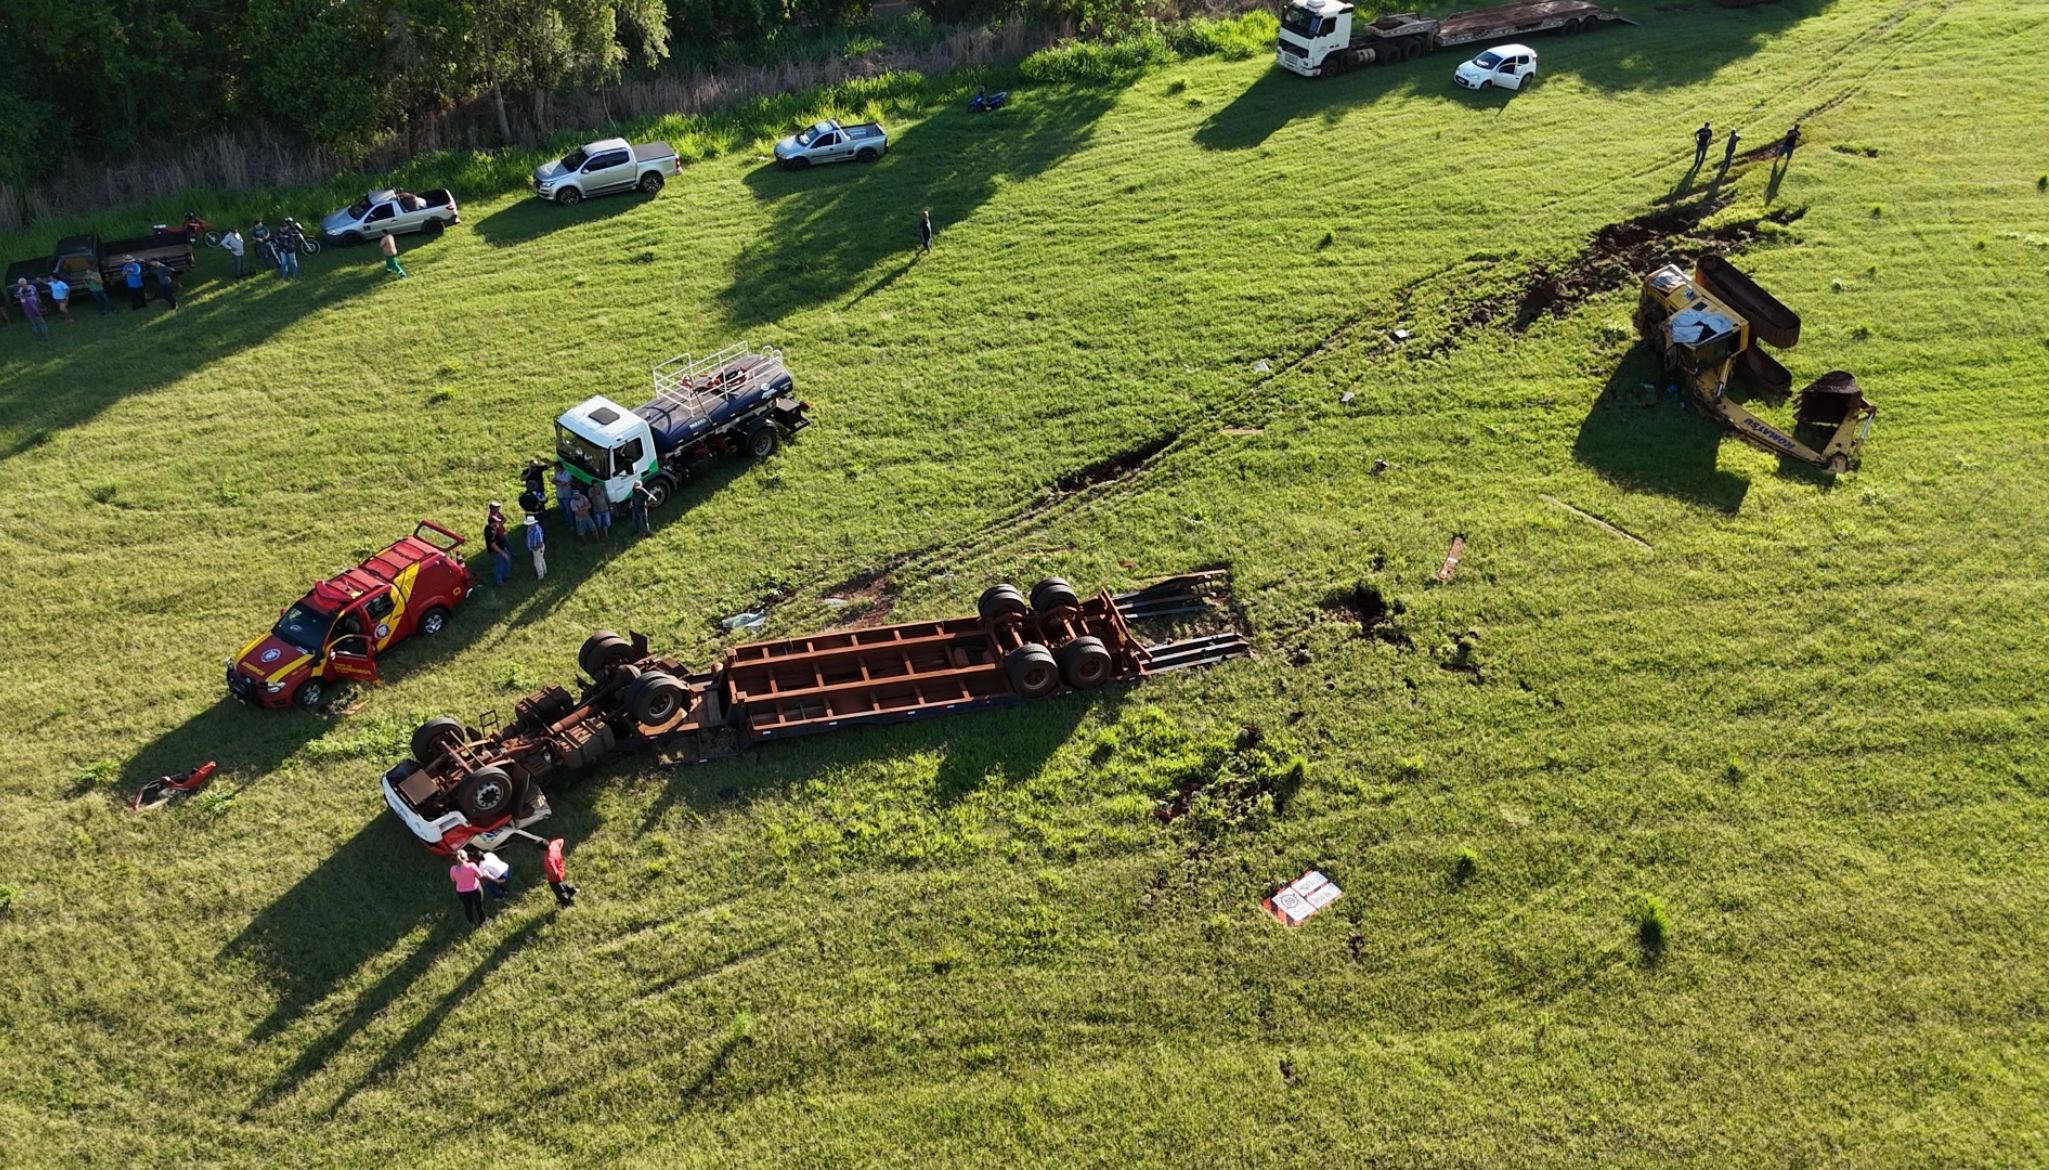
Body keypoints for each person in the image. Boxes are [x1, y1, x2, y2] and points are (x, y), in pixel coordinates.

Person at [449, 849, 486, 926]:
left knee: (467, 907)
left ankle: (471, 921)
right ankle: (483, 920)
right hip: (475, 889)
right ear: (466, 857)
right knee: (479, 906)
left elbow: (453, 880)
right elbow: (480, 876)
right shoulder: (472, 866)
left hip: (462, 893)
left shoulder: (452, 869)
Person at [542, 838, 577, 907]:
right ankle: (572, 890)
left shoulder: (549, 858)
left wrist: (548, 873)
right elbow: (561, 841)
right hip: (561, 870)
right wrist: (559, 851)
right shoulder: (554, 845)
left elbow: (554, 872)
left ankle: (566, 902)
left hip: (554, 878)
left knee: (558, 890)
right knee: (561, 883)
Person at [484, 502, 511, 586]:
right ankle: (499, 582)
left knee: (508, 559)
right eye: (497, 523)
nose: (498, 524)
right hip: (496, 551)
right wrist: (502, 553)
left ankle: (505, 576)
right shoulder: (489, 531)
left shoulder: (494, 528)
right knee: (499, 565)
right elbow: (493, 545)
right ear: (492, 523)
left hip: (501, 548)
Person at [525, 514, 547, 579]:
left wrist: (535, 548)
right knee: (541, 559)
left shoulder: (536, 531)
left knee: (537, 563)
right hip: (535, 548)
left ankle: (540, 575)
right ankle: (545, 571)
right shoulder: (530, 528)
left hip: (537, 548)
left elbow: (540, 542)